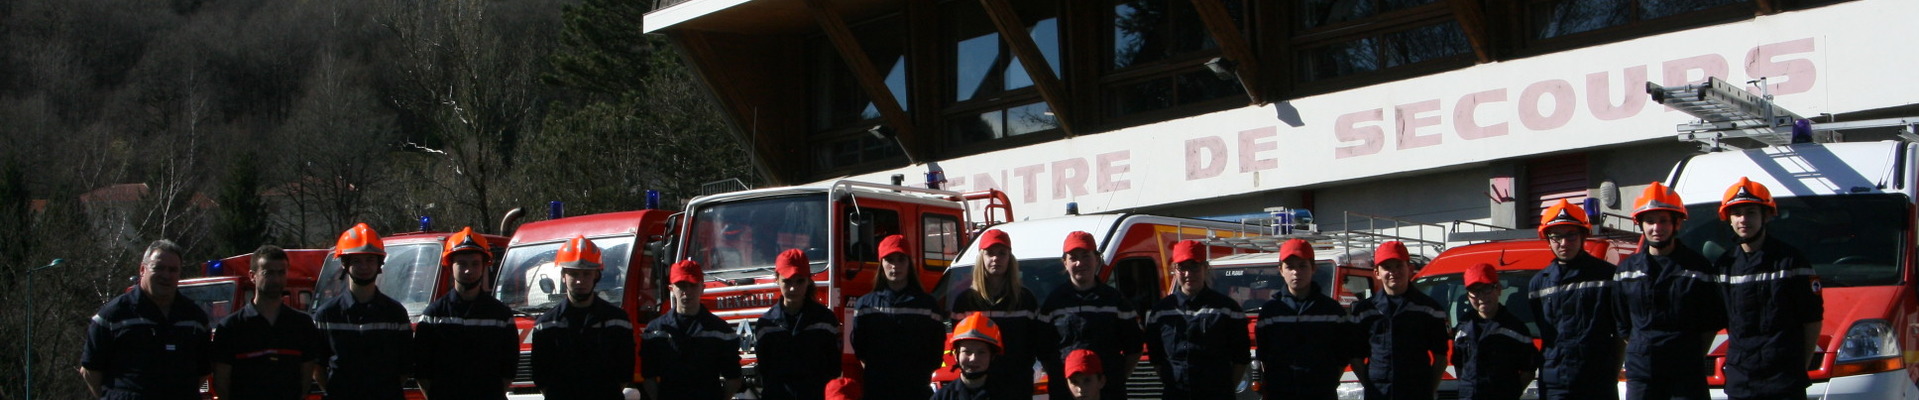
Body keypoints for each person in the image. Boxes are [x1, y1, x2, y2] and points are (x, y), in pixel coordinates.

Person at [1613, 182, 1725, 400]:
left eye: (1663, 220)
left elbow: (1710, 322)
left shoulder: (1698, 267)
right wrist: (1644, 349)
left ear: (1677, 223)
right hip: (1642, 375)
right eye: (1650, 221)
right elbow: (1623, 324)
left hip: (1686, 375)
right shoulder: (1626, 270)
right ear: (1641, 225)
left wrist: (1687, 355)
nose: (1656, 227)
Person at [1717, 177, 1822, 400]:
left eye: (1751, 212)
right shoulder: (1724, 266)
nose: (1743, 219)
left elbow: (1812, 319)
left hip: (1784, 380)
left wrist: (1798, 367)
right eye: (1736, 213)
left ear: (1766, 216)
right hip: (1741, 379)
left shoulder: (1791, 261)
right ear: (1729, 219)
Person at [80, 239, 211, 400]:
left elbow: (203, 371)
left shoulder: (195, 319)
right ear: (143, 269)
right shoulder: (112, 316)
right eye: (159, 268)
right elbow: (90, 370)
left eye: (173, 270)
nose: (166, 275)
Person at [1525, 199, 1622, 400]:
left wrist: (1612, 371)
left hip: (1597, 381)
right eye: (1556, 236)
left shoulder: (1608, 276)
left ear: (1583, 235)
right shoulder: (1538, 284)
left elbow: (1620, 331)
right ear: (1547, 239)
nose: (1564, 243)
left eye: (1571, 235)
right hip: (1555, 384)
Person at [414, 227, 519, 400]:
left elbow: (509, 368)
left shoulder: (500, 316)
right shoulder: (432, 316)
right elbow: (422, 371)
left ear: (485, 265)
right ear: (449, 266)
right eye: (462, 264)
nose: (468, 271)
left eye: (475, 264)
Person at [312, 223, 413, 400]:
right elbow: (317, 367)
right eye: (357, 261)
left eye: (370, 260)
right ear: (344, 263)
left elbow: (404, 367)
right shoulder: (327, 314)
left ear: (380, 263)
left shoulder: (395, 314)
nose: (364, 267)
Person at [211, 245, 323, 400]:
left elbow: (306, 377)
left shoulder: (302, 325)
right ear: (252, 275)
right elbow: (221, 381)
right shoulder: (231, 327)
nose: (276, 279)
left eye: (281, 273)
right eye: (268, 273)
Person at [1039, 231, 1141, 400]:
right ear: (1064, 263)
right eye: (1073, 258)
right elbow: (1042, 350)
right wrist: (1061, 377)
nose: (1080, 263)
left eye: (1086, 256)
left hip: (1108, 392)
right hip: (1065, 392)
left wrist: (1115, 378)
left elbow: (1134, 347)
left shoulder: (1115, 301)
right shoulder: (1053, 303)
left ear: (1097, 259)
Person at [531, 236, 636, 399]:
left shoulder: (618, 322)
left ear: (596, 275)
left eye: (587, 274)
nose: (580, 280)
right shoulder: (546, 325)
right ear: (563, 276)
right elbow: (541, 377)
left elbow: (624, 373)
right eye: (573, 273)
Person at [1144, 240, 1251, 399]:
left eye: (1194, 266)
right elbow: (1156, 357)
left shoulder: (1228, 309)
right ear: (1174, 269)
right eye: (1182, 267)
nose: (1188, 274)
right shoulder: (1161, 312)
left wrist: (1225, 390)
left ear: (1205, 268)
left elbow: (1241, 358)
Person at [1255, 238, 1360, 400]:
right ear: (1281, 270)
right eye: (1289, 266)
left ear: (1313, 268)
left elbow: (1342, 355)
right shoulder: (1270, 312)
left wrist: (1327, 382)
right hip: (1280, 393)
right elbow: (1264, 356)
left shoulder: (1332, 311)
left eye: (1302, 265)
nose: (1296, 272)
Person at [850, 235, 946, 399]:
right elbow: (860, 348)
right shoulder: (865, 305)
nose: (895, 266)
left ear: (909, 263)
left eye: (901, 259)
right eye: (889, 259)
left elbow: (936, 349)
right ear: (881, 263)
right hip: (878, 389)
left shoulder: (927, 305)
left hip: (915, 389)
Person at [1351, 241, 1449, 400]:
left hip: (1416, 392)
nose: (1393, 272)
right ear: (1376, 272)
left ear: (1409, 269)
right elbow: (1355, 357)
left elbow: (1441, 358)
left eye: (1398, 266)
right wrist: (1370, 386)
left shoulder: (1429, 309)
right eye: (1387, 267)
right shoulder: (1364, 311)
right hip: (1379, 394)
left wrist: (1427, 390)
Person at [949, 229, 1041, 398]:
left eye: (1002, 253)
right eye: (990, 253)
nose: (996, 259)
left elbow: (1035, 343)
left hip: (1015, 386)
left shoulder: (1025, 300)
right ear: (981, 257)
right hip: (977, 389)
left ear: (1009, 258)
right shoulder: (965, 302)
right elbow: (958, 345)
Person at [641, 258, 742, 399]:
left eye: (692, 285)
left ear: (702, 288)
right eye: (681, 285)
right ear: (671, 288)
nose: (686, 292)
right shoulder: (655, 331)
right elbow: (648, 377)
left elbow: (734, 378)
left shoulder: (721, 331)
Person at [753, 249, 843, 400]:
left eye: (799, 280)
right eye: (787, 281)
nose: (793, 288)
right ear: (776, 279)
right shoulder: (766, 325)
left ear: (808, 280)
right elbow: (765, 370)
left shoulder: (826, 321)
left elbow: (834, 368)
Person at [1451, 263, 1540, 400]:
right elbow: (1458, 364)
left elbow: (1529, 369)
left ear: (1498, 289)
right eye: (1475, 291)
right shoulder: (1463, 327)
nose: (1481, 297)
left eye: (1486, 289)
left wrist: (1510, 393)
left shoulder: (1516, 328)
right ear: (1468, 296)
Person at [933, 312, 1010, 400]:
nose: (973, 358)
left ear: (992, 357)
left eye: (981, 352)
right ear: (956, 355)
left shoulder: (1008, 395)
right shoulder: (942, 396)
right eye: (967, 351)